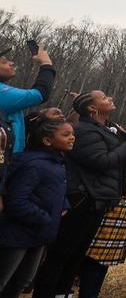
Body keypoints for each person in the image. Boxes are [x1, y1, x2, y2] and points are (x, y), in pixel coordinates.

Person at [32, 91, 126, 298]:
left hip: (96, 201)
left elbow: (120, 158)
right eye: (104, 97)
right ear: (92, 108)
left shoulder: (104, 130)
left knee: (75, 256)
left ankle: (62, 294)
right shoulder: (84, 131)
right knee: (61, 255)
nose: (110, 98)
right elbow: (103, 162)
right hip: (81, 200)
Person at [0, 116, 73, 298]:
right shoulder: (33, 164)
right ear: (47, 140)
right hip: (17, 235)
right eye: (66, 134)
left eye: (72, 134)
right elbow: (16, 201)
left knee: (23, 281)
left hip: (39, 234)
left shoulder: (57, 163)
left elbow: (52, 191)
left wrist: (64, 204)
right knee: (3, 279)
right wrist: (45, 218)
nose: (72, 137)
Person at [0, 45, 56, 197]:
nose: (11, 63)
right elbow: (40, 94)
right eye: (4, 62)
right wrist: (46, 63)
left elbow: (11, 122)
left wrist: (40, 116)